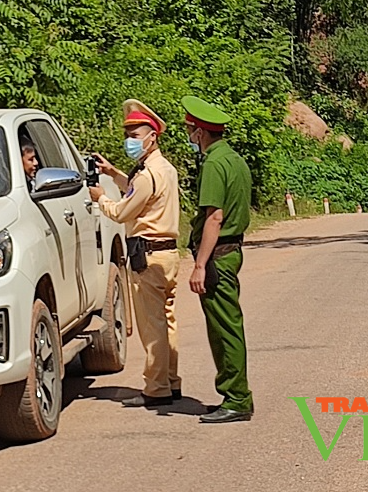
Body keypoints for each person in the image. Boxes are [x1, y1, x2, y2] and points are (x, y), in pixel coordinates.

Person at [89, 99, 182, 408]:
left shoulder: (146, 175)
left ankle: (156, 389)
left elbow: (123, 211)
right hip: (167, 256)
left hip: (149, 258)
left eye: (135, 134)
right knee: (166, 321)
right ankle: (170, 380)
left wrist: (101, 198)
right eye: (127, 134)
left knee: (151, 325)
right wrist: (114, 172)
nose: (130, 140)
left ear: (152, 137)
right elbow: (139, 191)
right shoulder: (163, 170)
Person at [183, 95, 254, 423]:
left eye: (190, 129)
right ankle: (233, 394)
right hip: (231, 251)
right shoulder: (235, 159)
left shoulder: (213, 163)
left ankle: (237, 398)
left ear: (200, 132)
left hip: (218, 255)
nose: (189, 135)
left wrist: (199, 264)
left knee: (224, 328)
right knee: (227, 324)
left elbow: (215, 217)